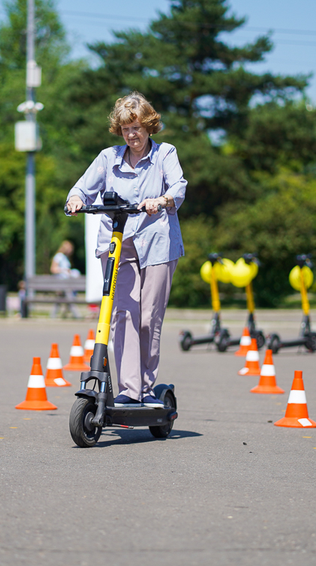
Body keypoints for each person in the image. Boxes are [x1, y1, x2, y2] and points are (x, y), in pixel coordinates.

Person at [65, 91, 187, 408]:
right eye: (125, 128)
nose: (131, 134)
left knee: (148, 318)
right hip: (120, 244)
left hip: (158, 244)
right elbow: (80, 188)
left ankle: (146, 389)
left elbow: (179, 187)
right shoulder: (108, 158)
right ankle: (129, 390)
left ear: (148, 125)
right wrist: (76, 200)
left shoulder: (164, 155)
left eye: (136, 127)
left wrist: (161, 201)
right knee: (123, 315)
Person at [50, 240, 80, 319]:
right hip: (61, 282)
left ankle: (54, 316)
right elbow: (53, 269)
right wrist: (63, 270)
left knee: (59, 299)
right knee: (69, 296)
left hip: (67, 281)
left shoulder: (66, 258)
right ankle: (76, 315)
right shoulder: (59, 256)